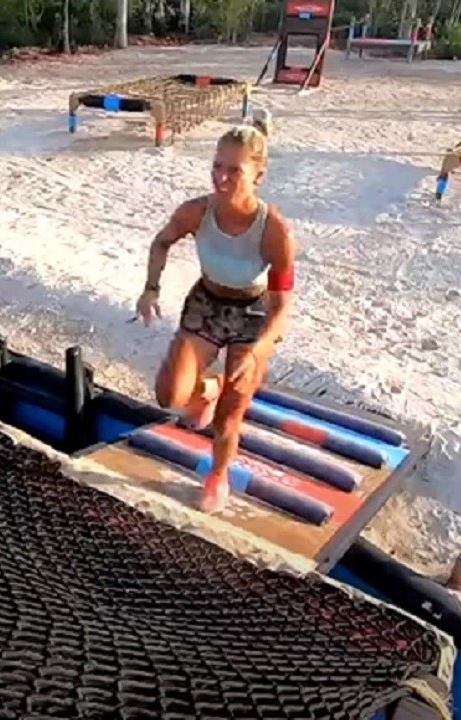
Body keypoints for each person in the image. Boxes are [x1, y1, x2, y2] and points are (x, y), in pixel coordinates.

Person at [134, 110, 296, 514]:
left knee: (230, 415)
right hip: (207, 302)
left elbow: (281, 309)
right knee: (170, 395)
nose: (221, 178)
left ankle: (218, 475)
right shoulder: (196, 211)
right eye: (216, 167)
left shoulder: (275, 231)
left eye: (234, 170)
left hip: (253, 314)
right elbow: (161, 242)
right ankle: (209, 389)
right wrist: (151, 288)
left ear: (258, 176)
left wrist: (258, 351)